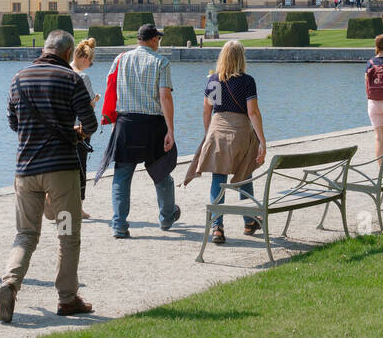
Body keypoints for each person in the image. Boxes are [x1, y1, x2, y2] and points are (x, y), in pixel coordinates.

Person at [0, 30, 98, 322]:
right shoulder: (71, 79)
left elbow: (13, 121)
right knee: (67, 234)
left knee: (26, 234)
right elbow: (89, 122)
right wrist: (76, 132)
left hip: (26, 171)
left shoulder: (19, 78)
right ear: (68, 54)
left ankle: (10, 282)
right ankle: (67, 299)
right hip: (61, 173)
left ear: (44, 49)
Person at [97, 24, 180, 239]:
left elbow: (111, 90)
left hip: (126, 124)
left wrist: (114, 120)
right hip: (153, 125)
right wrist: (170, 130)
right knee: (161, 174)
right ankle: (167, 217)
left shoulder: (120, 59)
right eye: (158, 40)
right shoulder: (161, 61)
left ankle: (119, 225)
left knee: (122, 176)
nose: (159, 43)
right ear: (153, 40)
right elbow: (165, 97)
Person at [182, 40, 266, 246]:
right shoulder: (247, 81)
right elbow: (252, 112)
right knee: (244, 176)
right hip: (241, 133)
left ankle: (217, 227)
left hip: (217, 131)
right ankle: (249, 221)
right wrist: (262, 140)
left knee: (218, 179)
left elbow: (206, 110)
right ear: (241, 58)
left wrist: (208, 133)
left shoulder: (214, 80)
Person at [71, 37, 101, 219]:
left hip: (63, 127)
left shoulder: (63, 70)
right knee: (81, 167)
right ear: (84, 58)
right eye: (91, 61)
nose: (91, 64)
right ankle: (78, 208)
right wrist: (96, 99)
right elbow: (88, 105)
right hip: (80, 129)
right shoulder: (83, 77)